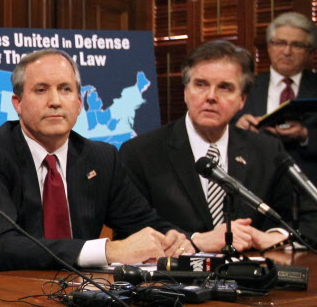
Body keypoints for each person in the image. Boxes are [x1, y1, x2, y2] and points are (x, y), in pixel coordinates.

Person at [0, 49, 186, 273]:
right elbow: (2, 246)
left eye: (65, 89)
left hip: (78, 294)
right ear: (17, 103)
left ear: (79, 103)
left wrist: (170, 238)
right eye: (41, 90)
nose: (55, 101)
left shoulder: (101, 158)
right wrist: (107, 250)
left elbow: (142, 222)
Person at [119, 40, 317, 253]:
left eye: (224, 87)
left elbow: (311, 217)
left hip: (251, 279)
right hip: (171, 280)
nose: (211, 97)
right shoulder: (141, 152)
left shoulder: (266, 151)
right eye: (201, 84)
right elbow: (131, 227)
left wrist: (273, 237)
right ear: (186, 91)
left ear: (242, 100)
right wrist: (196, 240)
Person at [234, 11, 317, 183]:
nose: (287, 51)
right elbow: (219, 133)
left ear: (310, 52)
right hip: (256, 186)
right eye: (280, 43)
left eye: (297, 45)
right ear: (269, 47)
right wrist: (238, 128)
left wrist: (304, 135)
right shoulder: (243, 86)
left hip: (310, 189)